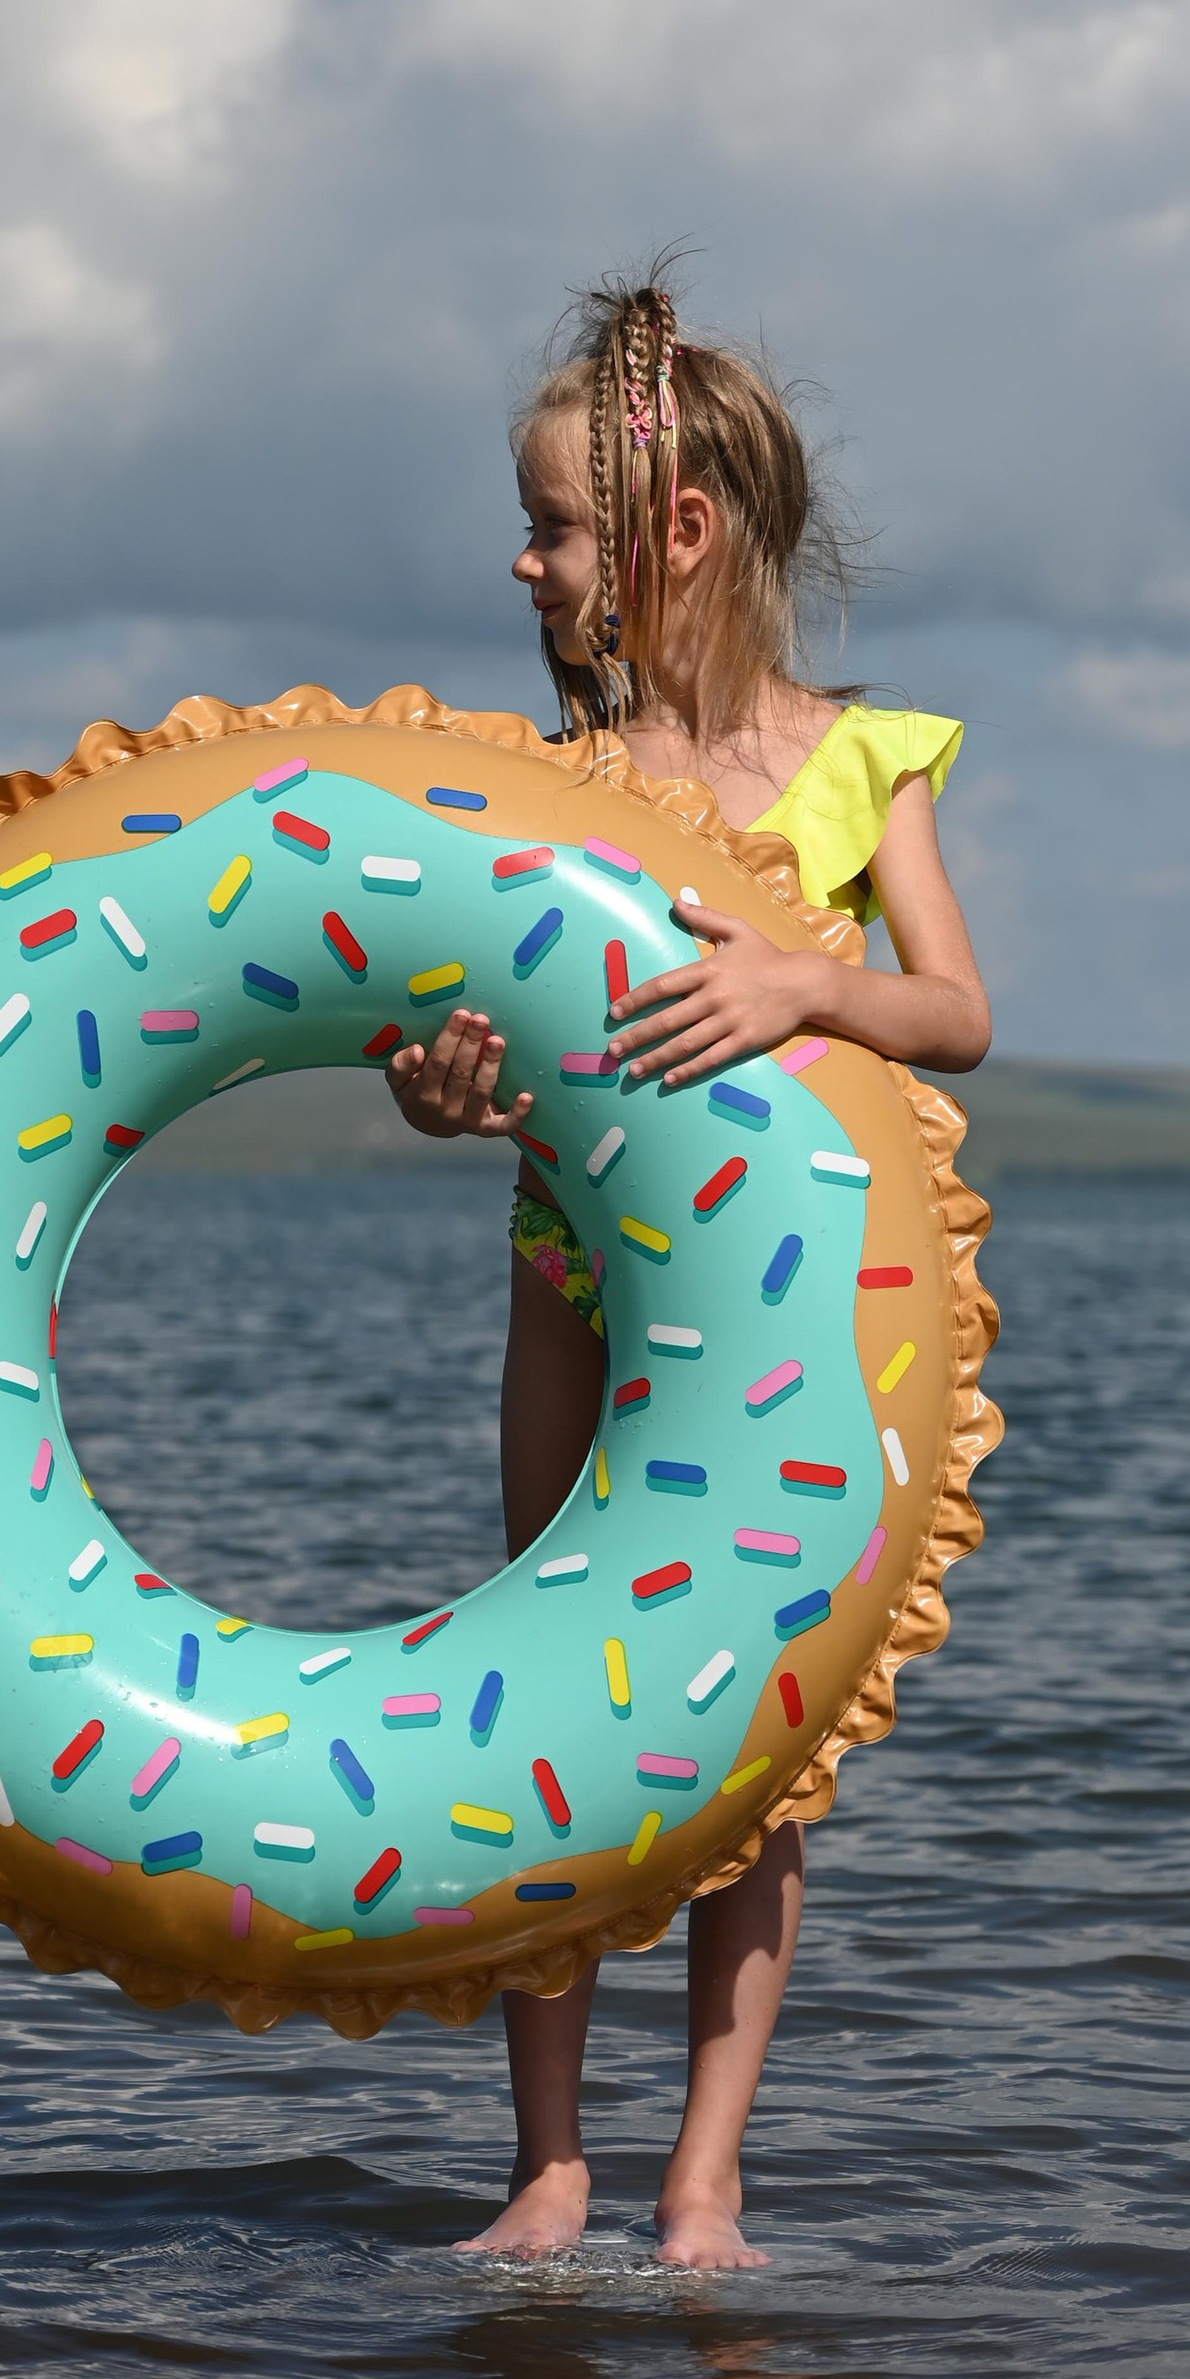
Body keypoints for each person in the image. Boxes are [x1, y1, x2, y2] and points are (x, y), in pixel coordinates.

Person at [386, 267, 991, 2268]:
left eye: (552, 526)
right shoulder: (549, 792)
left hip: (783, 1333)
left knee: (758, 1745)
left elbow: (955, 1013)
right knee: (540, 1695)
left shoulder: (858, 764)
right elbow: (462, 1043)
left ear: (679, 533)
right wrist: (443, 1096)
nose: (523, 562)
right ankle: (546, 2163)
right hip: (567, 1286)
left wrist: (809, 981)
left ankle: (703, 2175)